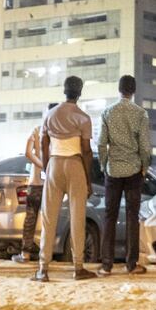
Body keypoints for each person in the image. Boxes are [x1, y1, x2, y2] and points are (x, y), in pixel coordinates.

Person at [34, 76, 96, 282]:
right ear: (80, 92)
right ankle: (78, 267)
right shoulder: (83, 117)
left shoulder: (50, 114)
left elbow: (43, 143)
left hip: (54, 164)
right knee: (77, 217)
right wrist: (88, 180)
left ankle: (43, 268)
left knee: (48, 218)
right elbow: (86, 151)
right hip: (75, 165)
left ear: (64, 90)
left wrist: (46, 167)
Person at [98, 74, 151, 275]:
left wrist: (104, 165)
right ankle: (131, 263)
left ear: (119, 90)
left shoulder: (107, 113)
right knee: (132, 216)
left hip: (113, 170)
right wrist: (144, 166)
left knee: (109, 216)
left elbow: (102, 143)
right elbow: (145, 147)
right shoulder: (140, 113)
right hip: (133, 171)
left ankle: (106, 264)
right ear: (133, 91)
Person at [13, 105, 56, 264]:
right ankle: (46, 253)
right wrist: (48, 167)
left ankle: (25, 253)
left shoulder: (37, 130)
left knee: (30, 218)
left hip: (35, 183)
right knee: (49, 220)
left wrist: (40, 164)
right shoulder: (58, 133)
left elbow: (27, 152)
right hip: (52, 184)